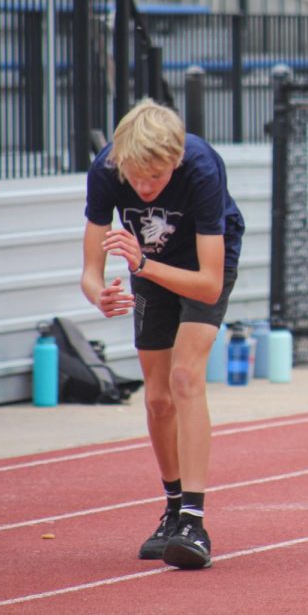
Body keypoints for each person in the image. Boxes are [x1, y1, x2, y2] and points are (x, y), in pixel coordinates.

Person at [81, 98, 245, 570]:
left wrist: (144, 264)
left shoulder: (200, 167)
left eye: (156, 177)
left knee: (186, 379)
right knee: (156, 398)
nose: (146, 188)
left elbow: (209, 282)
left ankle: (194, 519)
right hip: (146, 261)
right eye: (137, 179)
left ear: (175, 162)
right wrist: (100, 295)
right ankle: (172, 508)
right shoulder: (107, 169)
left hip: (201, 259)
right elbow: (90, 272)